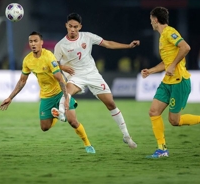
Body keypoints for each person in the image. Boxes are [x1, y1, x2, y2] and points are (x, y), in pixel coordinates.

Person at [141, 6, 200, 158]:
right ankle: (162, 149)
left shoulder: (170, 32)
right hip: (167, 81)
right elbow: (166, 63)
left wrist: (172, 65)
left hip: (179, 81)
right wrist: (151, 71)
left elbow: (186, 47)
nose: (151, 23)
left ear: (156, 20)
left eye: (151, 20)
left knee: (174, 121)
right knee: (153, 111)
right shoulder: (162, 37)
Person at [0, 31, 96, 154]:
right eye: (31, 41)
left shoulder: (49, 56)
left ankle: (88, 144)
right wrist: (10, 97)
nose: (33, 44)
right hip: (46, 97)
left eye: (36, 41)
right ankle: (56, 114)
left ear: (41, 43)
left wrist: (66, 98)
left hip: (61, 92)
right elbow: (22, 81)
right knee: (44, 128)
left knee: (72, 121)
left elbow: (60, 78)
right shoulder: (27, 60)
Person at [54, 13, 140, 149]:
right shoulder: (60, 45)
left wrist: (128, 46)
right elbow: (54, 64)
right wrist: (63, 66)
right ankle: (60, 113)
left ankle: (126, 136)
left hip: (93, 75)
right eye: (70, 26)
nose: (72, 29)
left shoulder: (87, 36)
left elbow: (108, 44)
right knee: (68, 91)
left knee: (111, 103)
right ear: (66, 25)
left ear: (80, 27)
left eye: (75, 27)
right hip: (76, 76)